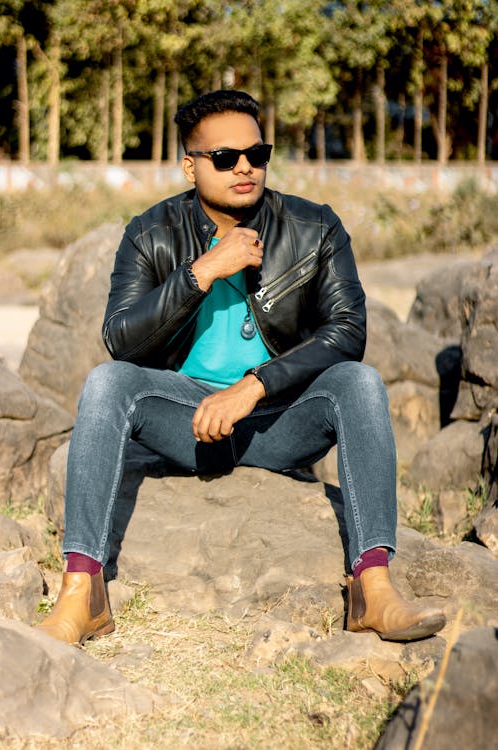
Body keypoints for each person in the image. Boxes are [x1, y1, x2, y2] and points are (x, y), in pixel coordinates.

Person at [37, 89, 446, 646]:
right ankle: (83, 595)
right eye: (226, 158)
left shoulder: (314, 226)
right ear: (190, 164)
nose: (245, 167)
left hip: (277, 418)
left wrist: (255, 386)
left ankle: (372, 589)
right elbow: (120, 340)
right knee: (107, 384)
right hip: (187, 419)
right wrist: (200, 272)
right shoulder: (150, 232)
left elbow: (347, 331)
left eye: (257, 153)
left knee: (361, 383)